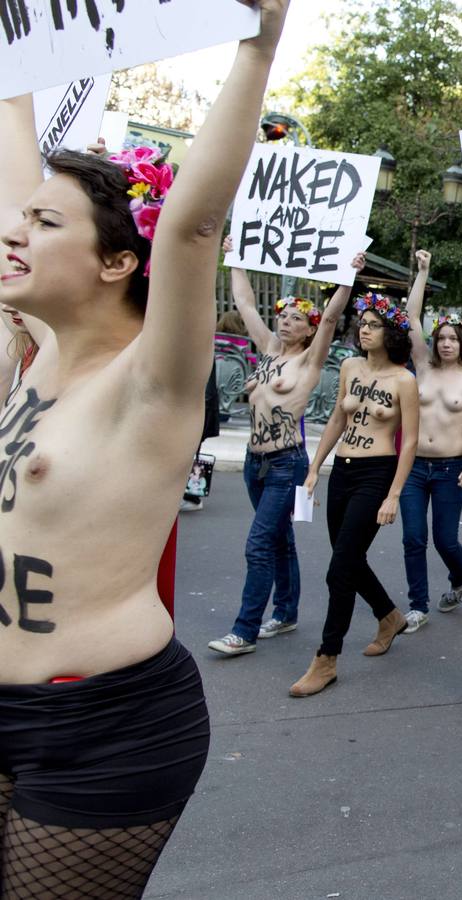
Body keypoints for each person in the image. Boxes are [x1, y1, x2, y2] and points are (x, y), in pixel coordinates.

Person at [0, 3, 288, 895]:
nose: (15, 232)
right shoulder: (36, 355)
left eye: (45, 226)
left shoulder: (153, 386)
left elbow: (192, 226)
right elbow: (15, 127)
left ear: (118, 263)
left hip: (104, 728)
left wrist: (260, 41)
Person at [206, 240, 363, 655]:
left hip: (285, 463)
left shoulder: (309, 361)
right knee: (277, 539)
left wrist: (347, 276)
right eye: (285, 316)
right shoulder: (269, 350)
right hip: (253, 463)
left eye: (297, 318)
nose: (287, 322)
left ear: (309, 329)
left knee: (259, 543)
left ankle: (245, 630)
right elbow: (244, 303)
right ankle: (287, 610)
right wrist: (234, 257)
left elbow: (331, 316)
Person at [289, 294, 420, 697]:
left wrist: (394, 494)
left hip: (376, 474)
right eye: (361, 322)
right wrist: (315, 468)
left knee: (339, 569)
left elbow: (410, 440)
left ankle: (326, 658)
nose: (363, 328)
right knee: (349, 558)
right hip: (342, 472)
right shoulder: (349, 367)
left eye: (373, 324)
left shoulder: (404, 380)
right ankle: (389, 615)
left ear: (391, 332)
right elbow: (337, 419)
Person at [398, 250, 462, 633]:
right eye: (442, 338)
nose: (446, 343)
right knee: (413, 537)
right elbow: (412, 318)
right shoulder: (422, 367)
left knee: (444, 539)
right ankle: (417, 605)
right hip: (414, 465)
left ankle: (459, 577)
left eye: (453, 338)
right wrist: (422, 273)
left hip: (452, 467)